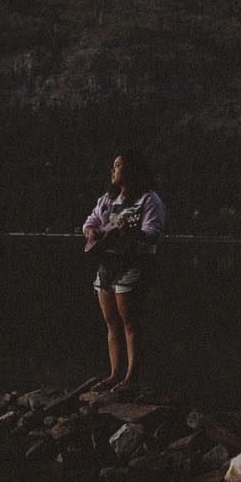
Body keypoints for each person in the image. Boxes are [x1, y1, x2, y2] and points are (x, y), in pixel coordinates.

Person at [78, 151, 164, 395]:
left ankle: (131, 378)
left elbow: (153, 232)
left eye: (117, 166)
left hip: (134, 265)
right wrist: (91, 233)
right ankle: (115, 374)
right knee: (111, 322)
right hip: (108, 265)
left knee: (131, 323)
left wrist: (132, 233)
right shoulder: (107, 198)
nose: (113, 171)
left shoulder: (149, 200)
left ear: (130, 171)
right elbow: (90, 222)